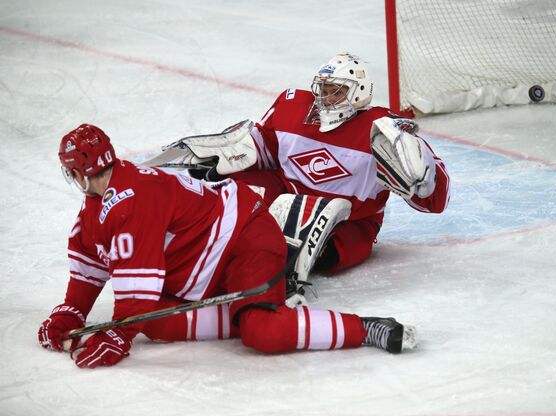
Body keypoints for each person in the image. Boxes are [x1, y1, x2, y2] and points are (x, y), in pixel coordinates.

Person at [38, 124, 417, 368]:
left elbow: (139, 287)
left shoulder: (133, 199)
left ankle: (365, 328)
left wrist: (119, 333)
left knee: (263, 332)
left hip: (245, 240)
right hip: (206, 269)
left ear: (74, 172)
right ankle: (246, 306)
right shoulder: (97, 208)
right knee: (157, 325)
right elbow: (90, 261)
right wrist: (71, 311)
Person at [150, 52, 450, 300]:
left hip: (350, 221)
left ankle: (268, 272)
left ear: (359, 93)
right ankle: (193, 244)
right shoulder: (293, 105)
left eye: (337, 90)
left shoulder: (383, 129)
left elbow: (435, 201)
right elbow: (265, 147)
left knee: (325, 252)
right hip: (286, 192)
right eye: (323, 88)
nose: (325, 97)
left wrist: (421, 179)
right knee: (230, 196)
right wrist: (225, 160)